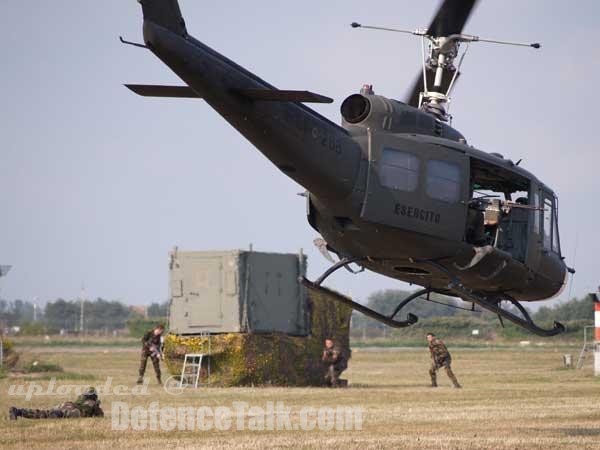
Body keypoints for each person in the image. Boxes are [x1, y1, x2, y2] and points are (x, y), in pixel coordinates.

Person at [9, 386, 103, 420]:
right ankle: (58, 414)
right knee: (73, 414)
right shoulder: (92, 402)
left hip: (67, 404)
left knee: (43, 413)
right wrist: (97, 407)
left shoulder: (81, 398)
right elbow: (100, 417)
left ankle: (18, 411)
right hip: (74, 409)